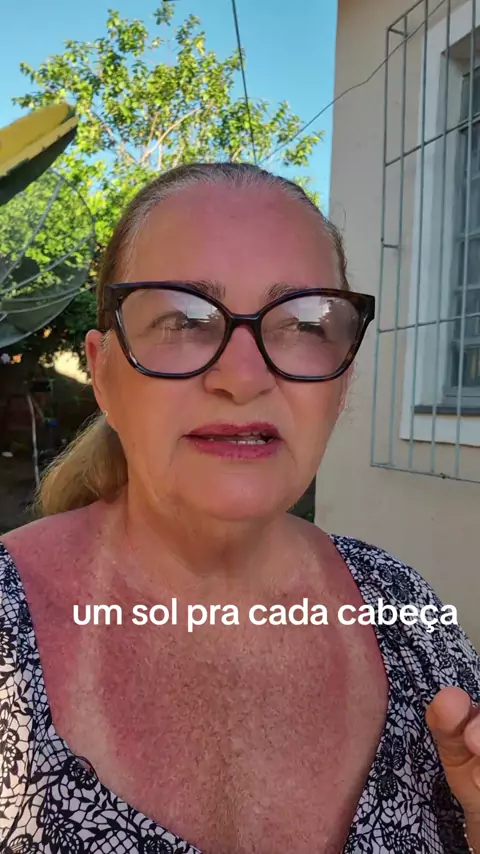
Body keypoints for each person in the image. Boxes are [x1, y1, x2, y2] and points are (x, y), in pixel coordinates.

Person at [0, 161, 479, 854]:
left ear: (341, 384)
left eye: (302, 324)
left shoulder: (405, 613)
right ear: (103, 373)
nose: (244, 377)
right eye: (183, 320)